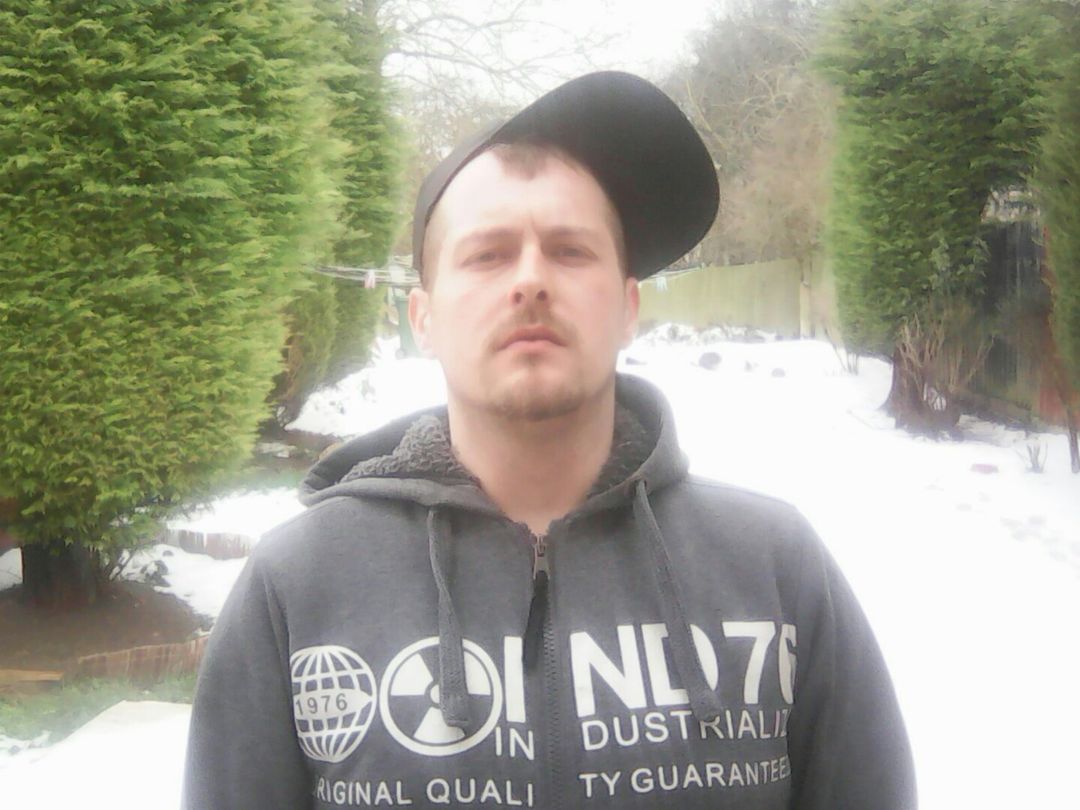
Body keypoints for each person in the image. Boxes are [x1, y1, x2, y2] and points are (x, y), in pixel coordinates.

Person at [183, 71, 916, 809]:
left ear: (628, 307)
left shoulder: (775, 568)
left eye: (569, 251)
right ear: (423, 317)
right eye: (487, 254)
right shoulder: (296, 587)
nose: (531, 279)